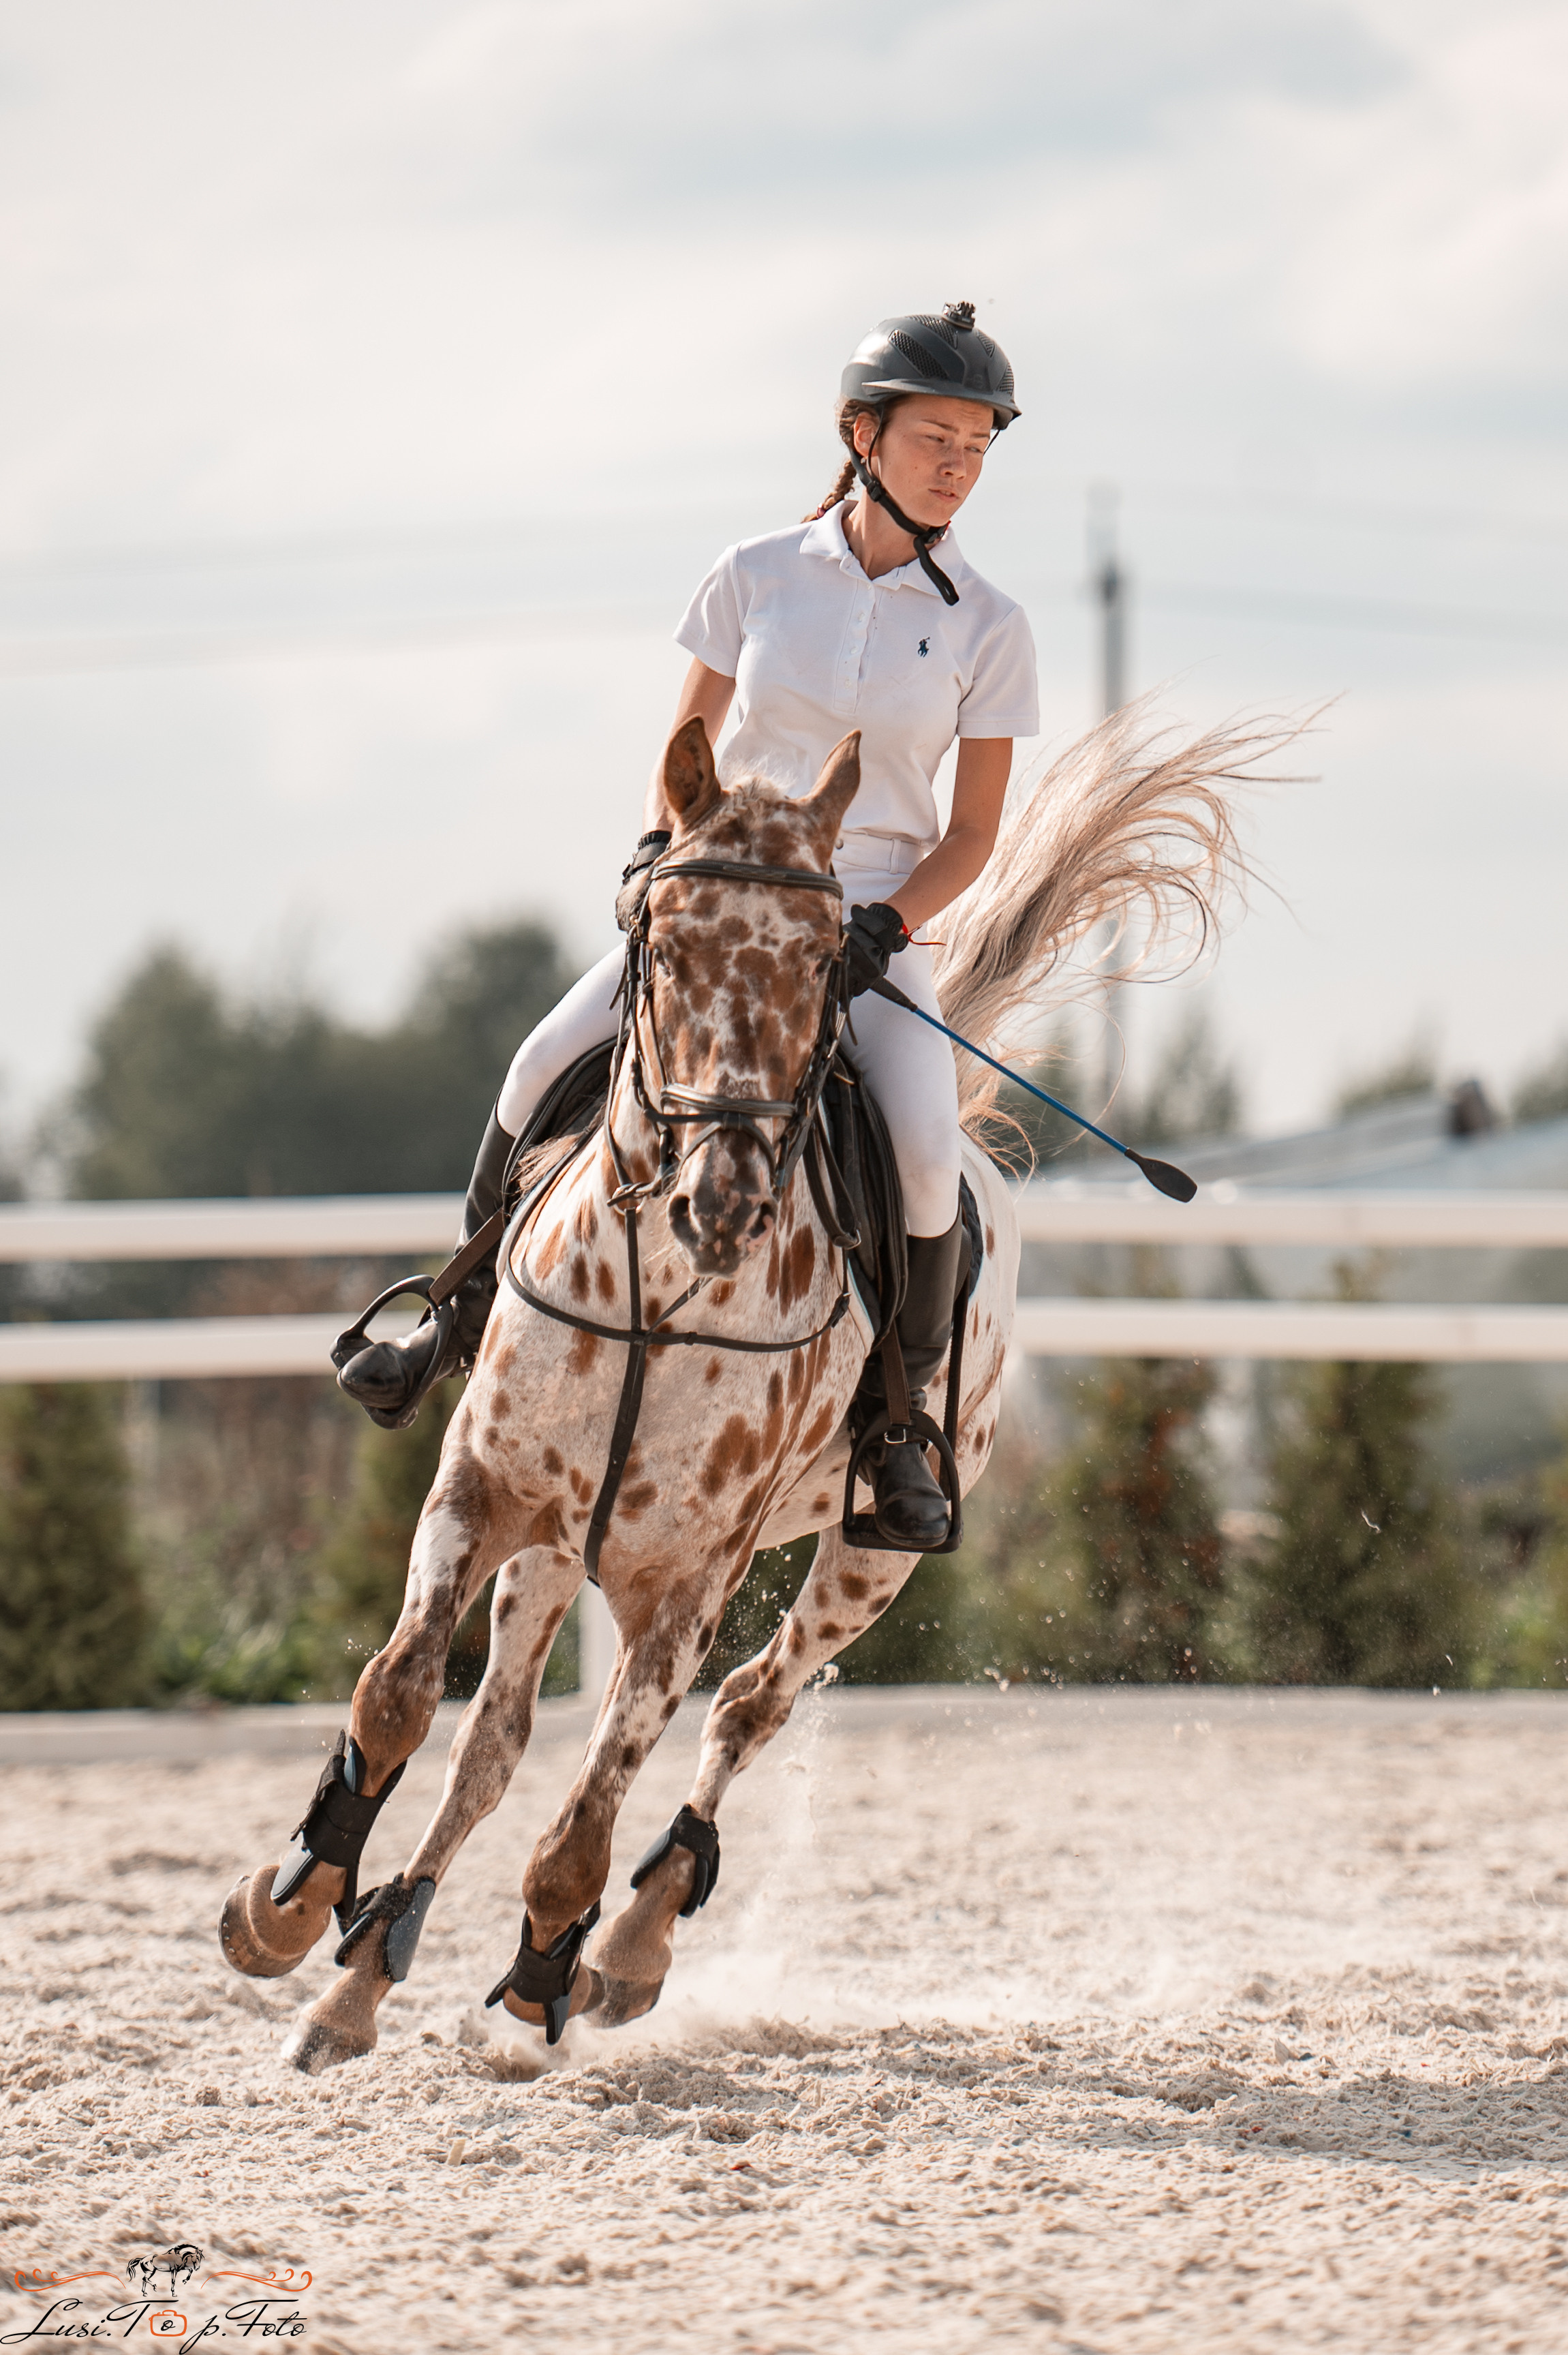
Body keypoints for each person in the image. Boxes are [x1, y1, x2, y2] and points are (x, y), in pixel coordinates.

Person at [340, 300, 1038, 1547]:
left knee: (929, 1152)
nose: (958, 466)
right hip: (717, 909)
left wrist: (882, 924)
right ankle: (454, 1317)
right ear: (861, 434)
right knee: (539, 1061)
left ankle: (895, 1431)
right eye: (937, 437)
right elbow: (684, 754)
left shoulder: (990, 624)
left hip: (871, 926)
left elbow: (972, 833)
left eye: (979, 447)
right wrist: (657, 868)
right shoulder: (755, 573)